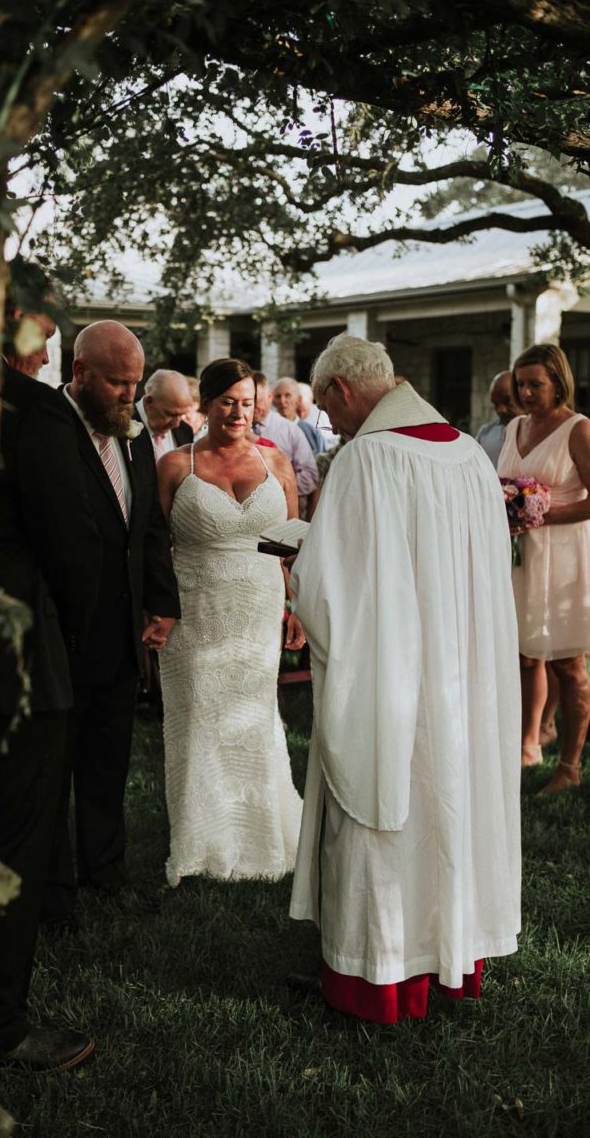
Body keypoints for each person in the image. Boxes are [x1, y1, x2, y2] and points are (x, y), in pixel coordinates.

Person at [289, 333, 521, 1024]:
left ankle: (378, 978)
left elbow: (329, 589)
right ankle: (448, 961)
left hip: (390, 677)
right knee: (448, 809)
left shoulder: (366, 458)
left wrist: (298, 573)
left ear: (339, 391)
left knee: (384, 809)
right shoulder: (466, 454)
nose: (332, 425)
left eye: (330, 412)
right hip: (460, 679)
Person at [0, 277, 98, 1069]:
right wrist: (71, 637)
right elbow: (74, 547)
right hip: (19, 663)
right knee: (11, 841)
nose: (47, 353)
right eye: (40, 336)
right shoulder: (31, 412)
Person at [43, 322, 180, 917]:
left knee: (108, 761)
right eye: (119, 383)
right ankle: (54, 890)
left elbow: (147, 529)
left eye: (134, 383)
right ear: (80, 374)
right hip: (60, 630)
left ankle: (107, 870)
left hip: (121, 633)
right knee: (52, 767)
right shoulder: (44, 429)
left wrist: (162, 602)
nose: (130, 395)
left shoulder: (135, 438)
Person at [157, 358, 304, 886]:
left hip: (260, 608)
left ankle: (262, 837)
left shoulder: (276, 462)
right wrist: (160, 608)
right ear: (206, 403)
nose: (239, 412)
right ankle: (203, 840)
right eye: (228, 402)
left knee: (256, 717)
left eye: (247, 402)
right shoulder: (177, 465)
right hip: (198, 611)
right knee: (200, 718)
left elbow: (288, 545)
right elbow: (155, 547)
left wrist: (297, 607)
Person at [497, 343, 590, 791]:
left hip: (565, 557)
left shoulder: (578, 428)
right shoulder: (514, 426)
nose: (527, 392)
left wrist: (543, 514)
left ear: (558, 382)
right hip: (520, 558)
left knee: (569, 664)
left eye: (536, 383)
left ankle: (569, 767)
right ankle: (528, 744)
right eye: (521, 384)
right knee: (523, 655)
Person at [252, 372, 318, 498]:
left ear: (269, 396)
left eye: (258, 400)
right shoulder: (235, 429)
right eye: (247, 402)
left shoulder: (290, 430)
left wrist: (275, 491)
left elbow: (310, 476)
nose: (252, 407)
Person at [136, 368, 194, 460]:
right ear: (149, 402)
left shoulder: (185, 431)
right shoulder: (122, 426)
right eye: (170, 414)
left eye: (181, 415)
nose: (176, 424)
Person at [273, 376, 335, 454]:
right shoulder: (266, 429)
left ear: (298, 399)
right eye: (278, 396)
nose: (282, 401)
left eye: (287, 395)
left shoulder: (312, 433)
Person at [475, 371, 522, 467]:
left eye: (508, 401)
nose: (501, 410)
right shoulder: (485, 435)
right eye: (495, 404)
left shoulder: (542, 435)